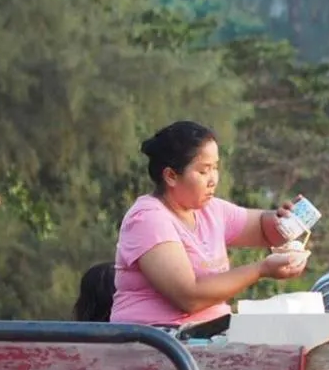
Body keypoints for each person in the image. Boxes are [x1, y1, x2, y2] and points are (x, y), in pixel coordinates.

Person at [110, 121, 308, 333]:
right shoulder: (148, 219)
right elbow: (189, 297)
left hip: (207, 338)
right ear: (171, 176)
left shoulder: (210, 210)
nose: (213, 179)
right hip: (158, 343)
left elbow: (263, 228)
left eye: (215, 167)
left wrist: (287, 221)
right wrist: (261, 269)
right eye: (204, 171)